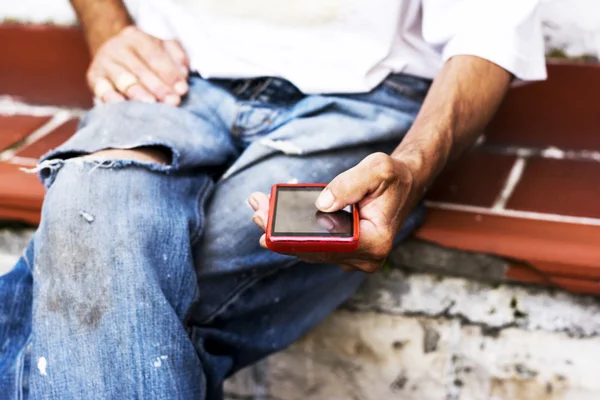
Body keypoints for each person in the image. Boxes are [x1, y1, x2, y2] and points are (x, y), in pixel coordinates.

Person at [0, 0, 546, 398]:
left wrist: (413, 166)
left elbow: (489, 24)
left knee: (99, 271)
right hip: (166, 78)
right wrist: (109, 27)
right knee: (91, 216)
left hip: (365, 95)